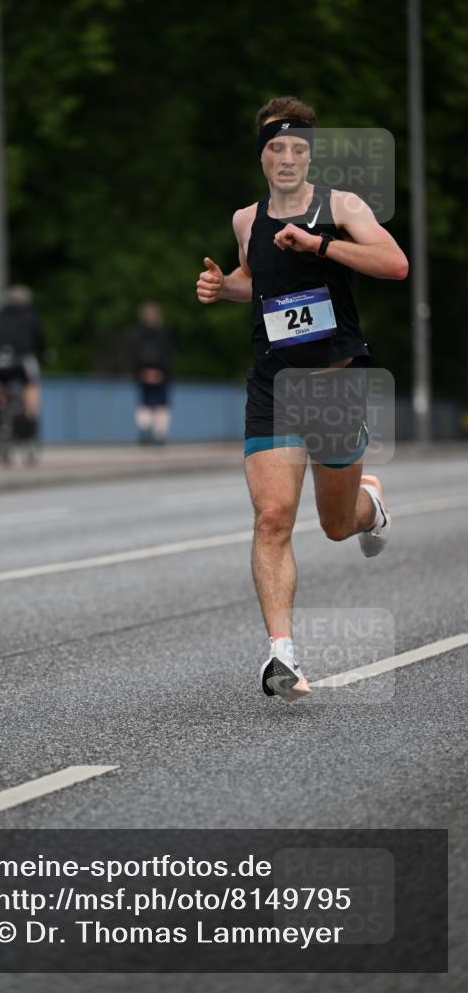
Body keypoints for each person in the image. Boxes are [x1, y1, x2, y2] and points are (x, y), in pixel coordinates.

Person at [196, 96, 408, 702]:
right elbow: (253, 281)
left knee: (338, 526)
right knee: (272, 517)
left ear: (310, 154)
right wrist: (222, 286)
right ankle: (281, 656)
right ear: (262, 154)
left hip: (336, 384)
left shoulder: (340, 206)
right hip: (274, 386)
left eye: (297, 148)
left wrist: (320, 246)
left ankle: (371, 505)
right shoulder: (245, 219)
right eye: (275, 148)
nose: (286, 158)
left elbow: (395, 264)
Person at [0, 285, 46, 453]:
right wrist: (45, 353)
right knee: (32, 387)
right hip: (21, 360)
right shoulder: (29, 316)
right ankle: (31, 427)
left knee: (0, 386)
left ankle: (0, 416)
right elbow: (38, 338)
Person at [131, 302, 173, 445]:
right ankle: (157, 436)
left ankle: (147, 434)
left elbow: (134, 355)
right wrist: (159, 371)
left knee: (146, 403)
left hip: (145, 372)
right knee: (159, 404)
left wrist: (141, 371)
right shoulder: (163, 333)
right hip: (159, 372)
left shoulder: (138, 333)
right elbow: (167, 354)